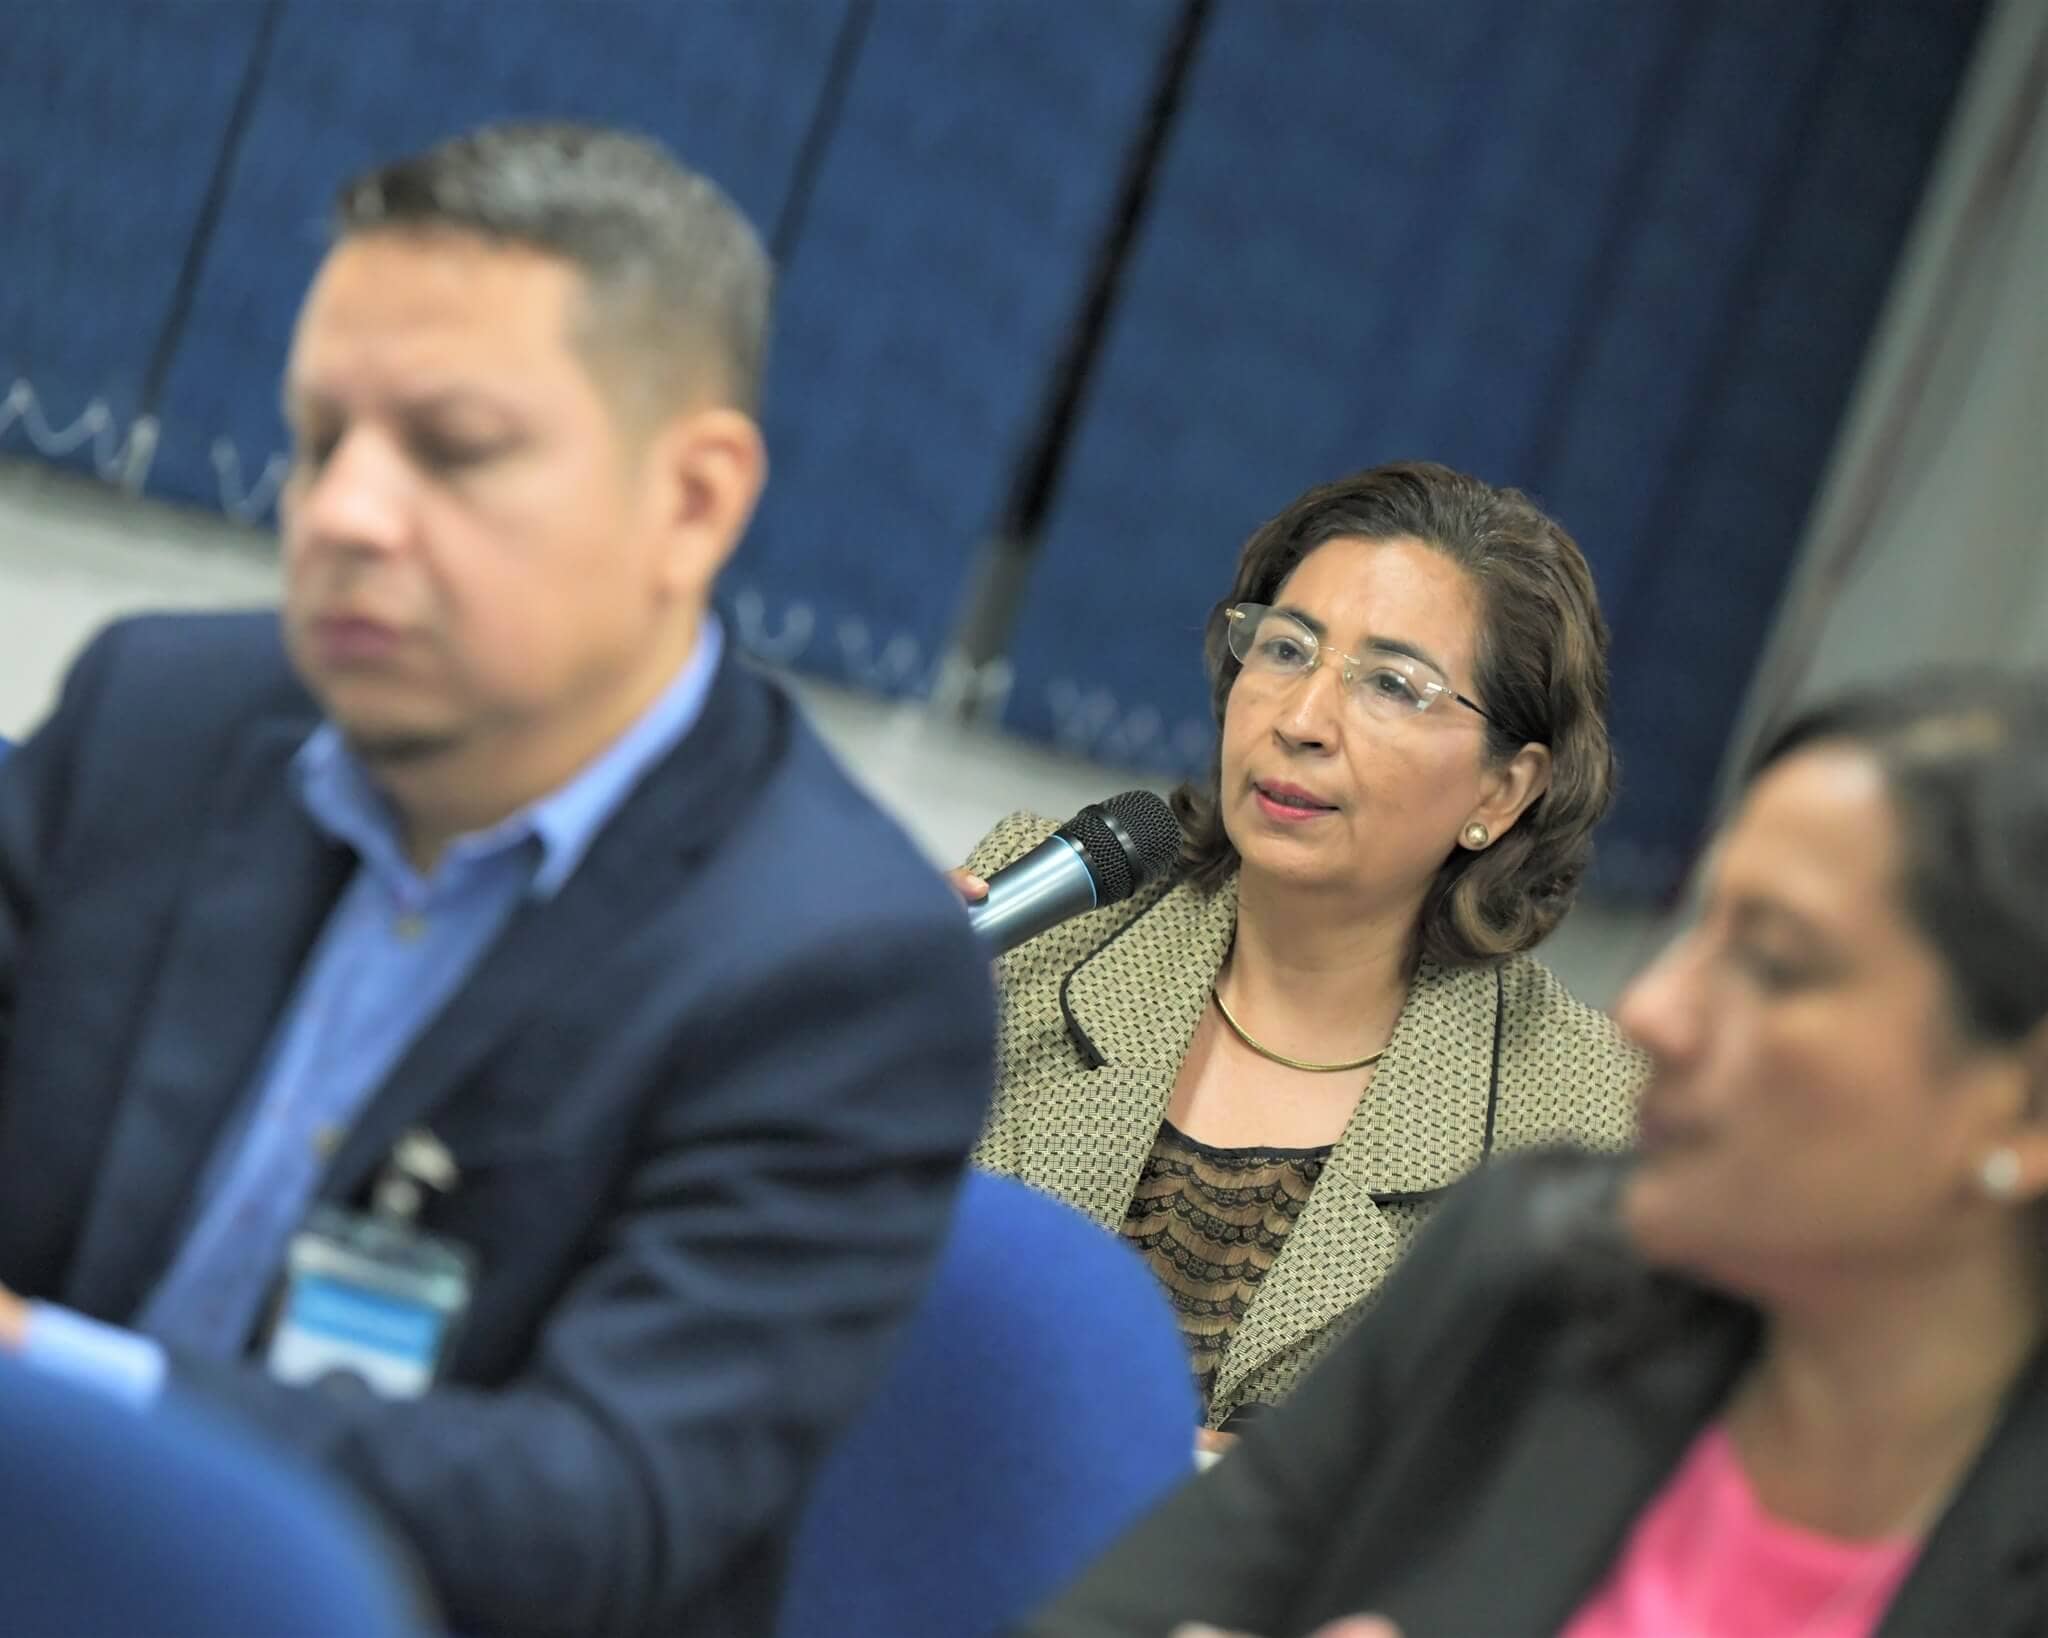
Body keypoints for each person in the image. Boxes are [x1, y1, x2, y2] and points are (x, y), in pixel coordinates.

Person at [0, 123, 995, 1637]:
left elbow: (585, 1512)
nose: (343, 514)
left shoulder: (843, 965)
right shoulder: (156, 718)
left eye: (452, 450)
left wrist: (52, 1379)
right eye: (319, 440)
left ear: (694, 502)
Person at [1025, 667, 2048, 1638]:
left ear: (2027, 1109)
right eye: (1700, 929)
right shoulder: (1533, 1272)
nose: (1651, 1011)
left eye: (1773, 966)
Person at [960, 462, 1643, 1428]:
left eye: (1392, 685)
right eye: (1285, 649)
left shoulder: (1581, 1116)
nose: (1301, 720)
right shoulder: (1038, 919)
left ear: (1503, 790)